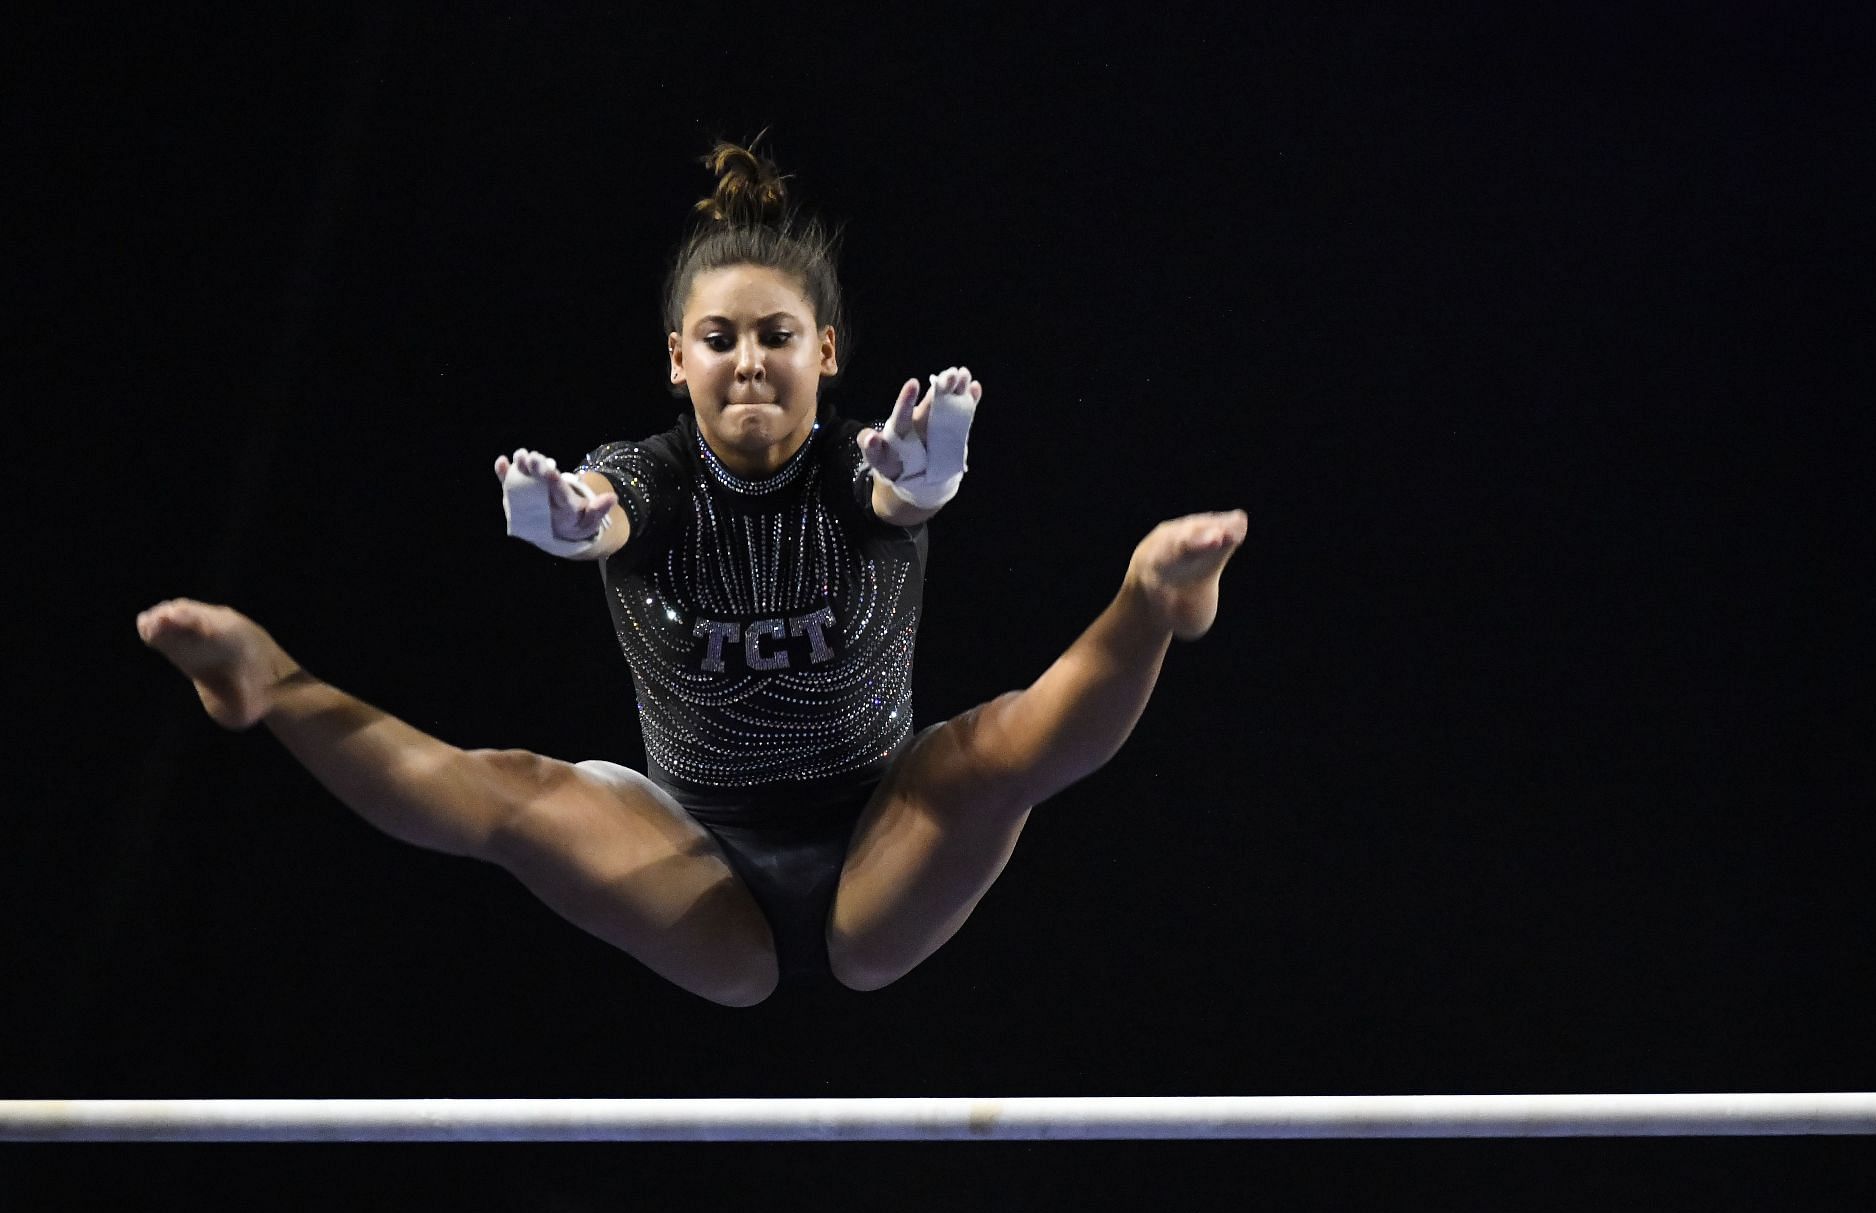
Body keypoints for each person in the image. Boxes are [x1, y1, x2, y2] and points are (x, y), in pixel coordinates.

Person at [135, 139, 1248, 1006]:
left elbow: (897, 494)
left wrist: (935, 473)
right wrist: (569, 517)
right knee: (512, 795)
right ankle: (268, 683)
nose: (749, 360)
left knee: (991, 752)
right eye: (719, 338)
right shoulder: (648, 478)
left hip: (882, 842)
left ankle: (1152, 599)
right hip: (694, 862)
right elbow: (608, 513)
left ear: (826, 350)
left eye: (776, 334)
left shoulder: (865, 460)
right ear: (679, 359)